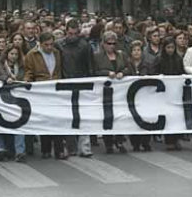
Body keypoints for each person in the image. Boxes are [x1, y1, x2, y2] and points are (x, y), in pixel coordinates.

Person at [24, 32, 67, 160]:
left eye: (51, 44)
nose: (49, 47)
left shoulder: (57, 53)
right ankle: (46, 149)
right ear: (40, 44)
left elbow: (59, 71)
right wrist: (27, 80)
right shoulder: (32, 54)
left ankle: (59, 150)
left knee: (57, 120)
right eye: (46, 45)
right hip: (41, 90)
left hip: (55, 89)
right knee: (45, 120)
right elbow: (29, 71)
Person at [55, 19, 93, 158]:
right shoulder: (59, 45)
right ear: (66, 31)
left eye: (75, 34)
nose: (72, 36)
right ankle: (71, 147)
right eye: (70, 33)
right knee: (68, 116)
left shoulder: (85, 46)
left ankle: (85, 147)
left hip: (81, 83)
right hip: (64, 84)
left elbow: (90, 66)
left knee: (83, 116)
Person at [92, 31, 130, 154]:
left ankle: (119, 141)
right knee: (107, 117)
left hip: (120, 93)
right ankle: (108, 142)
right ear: (103, 44)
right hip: (105, 93)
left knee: (119, 117)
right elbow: (94, 72)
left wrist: (122, 73)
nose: (112, 46)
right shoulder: (97, 56)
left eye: (114, 43)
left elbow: (129, 68)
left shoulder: (122, 55)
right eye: (109, 43)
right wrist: (107, 73)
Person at [0, 44, 27, 163]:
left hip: (17, 101)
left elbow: (26, 76)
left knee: (20, 124)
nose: (14, 56)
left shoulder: (21, 67)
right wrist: (5, 79)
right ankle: (0, 148)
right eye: (12, 54)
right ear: (6, 54)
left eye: (16, 54)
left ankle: (20, 151)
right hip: (1, 100)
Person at [154, 37, 185, 150]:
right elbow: (155, 73)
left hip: (176, 92)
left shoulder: (179, 59)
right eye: (168, 47)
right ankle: (169, 140)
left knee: (177, 116)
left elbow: (182, 72)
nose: (170, 50)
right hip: (165, 93)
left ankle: (177, 138)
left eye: (172, 47)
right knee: (168, 116)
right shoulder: (159, 59)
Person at [127, 40, 153, 151]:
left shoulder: (147, 65)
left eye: (138, 50)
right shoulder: (127, 64)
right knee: (133, 119)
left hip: (144, 96)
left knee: (146, 118)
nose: (137, 52)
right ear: (131, 52)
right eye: (134, 50)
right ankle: (135, 143)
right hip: (132, 96)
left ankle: (146, 142)